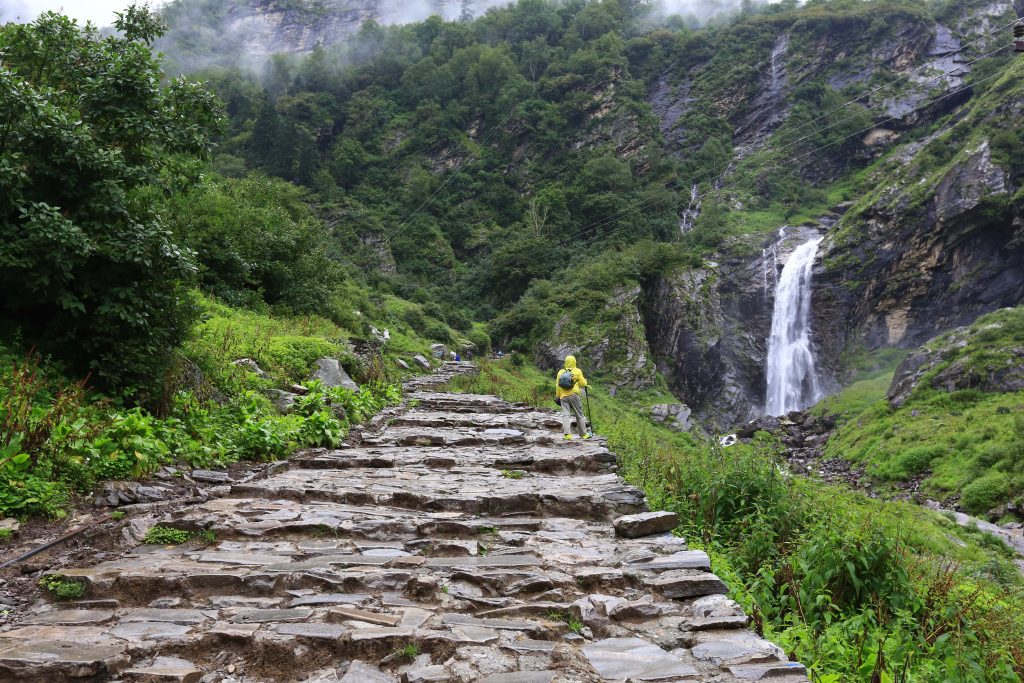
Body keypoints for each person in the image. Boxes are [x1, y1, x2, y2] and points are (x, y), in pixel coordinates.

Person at [555, 355, 591, 440]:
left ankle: (567, 435)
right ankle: (583, 434)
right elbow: (582, 383)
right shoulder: (577, 371)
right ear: (574, 362)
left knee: (565, 415)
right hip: (574, 395)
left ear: (566, 362)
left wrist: (558, 396)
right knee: (579, 415)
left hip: (563, 396)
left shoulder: (560, 372)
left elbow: (557, 385)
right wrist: (585, 383)